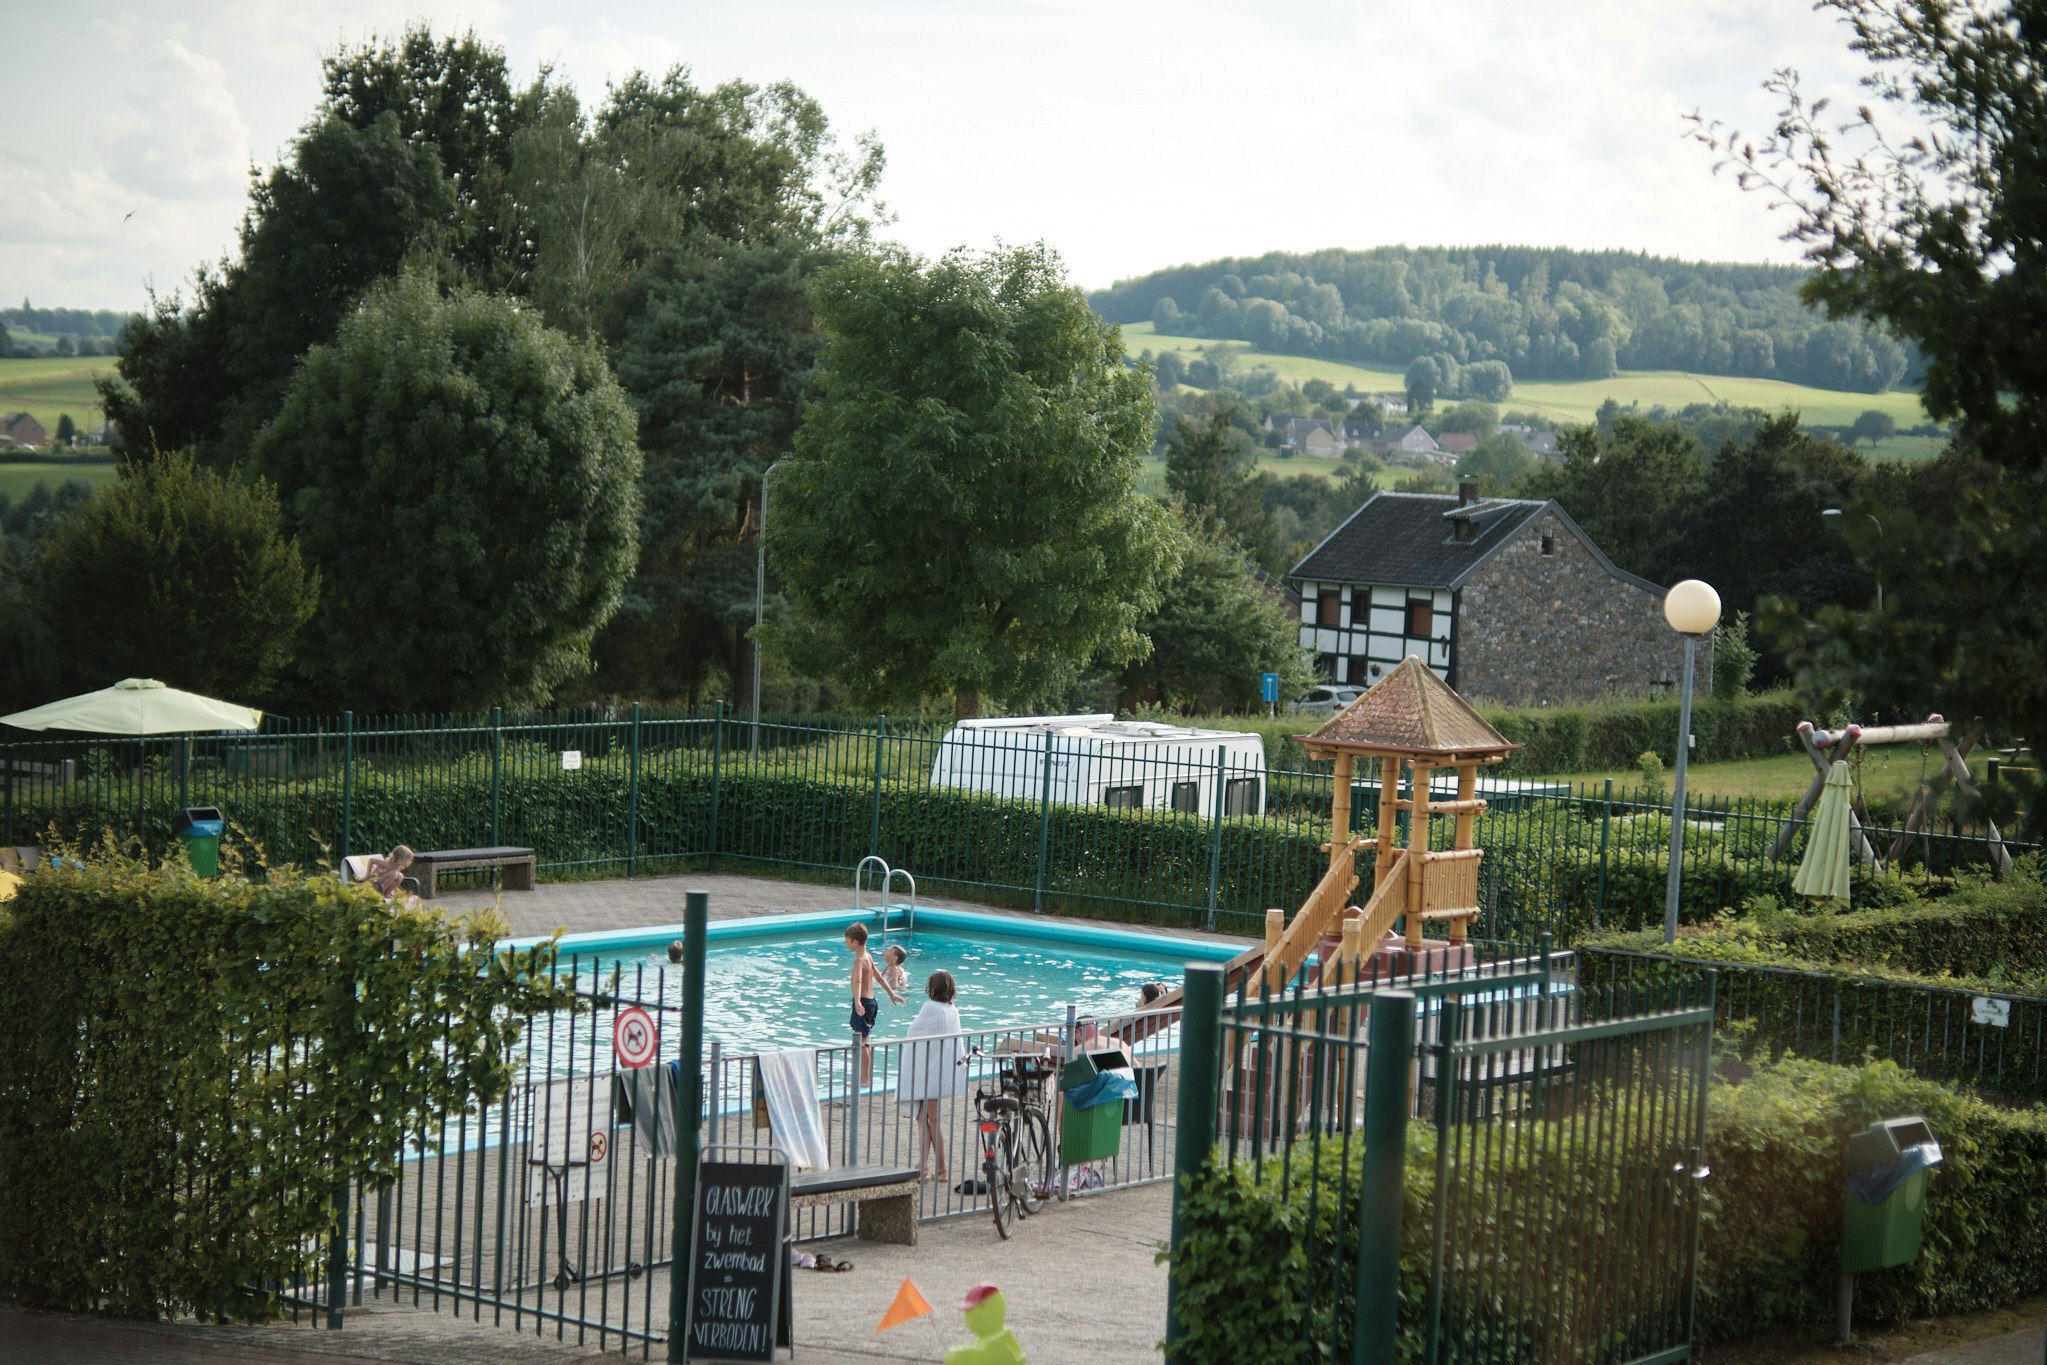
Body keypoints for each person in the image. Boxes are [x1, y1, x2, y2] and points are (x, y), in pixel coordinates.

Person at [897, 970, 964, 1181]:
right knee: (930, 1119)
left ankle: (937, 1168)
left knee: (925, 1119)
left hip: (927, 1073)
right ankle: (926, 1165)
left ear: (932, 989)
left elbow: (913, 1032)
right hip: (940, 1072)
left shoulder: (930, 1008)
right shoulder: (952, 1010)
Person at [844, 922, 882, 1083]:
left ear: (855, 942)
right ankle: (865, 1078)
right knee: (865, 1041)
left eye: (847, 940)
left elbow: (857, 982)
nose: (845, 943)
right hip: (872, 1001)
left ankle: (864, 1080)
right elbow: (879, 977)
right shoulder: (868, 957)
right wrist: (892, 994)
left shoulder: (859, 961)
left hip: (864, 1002)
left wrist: (857, 1002)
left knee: (861, 1042)